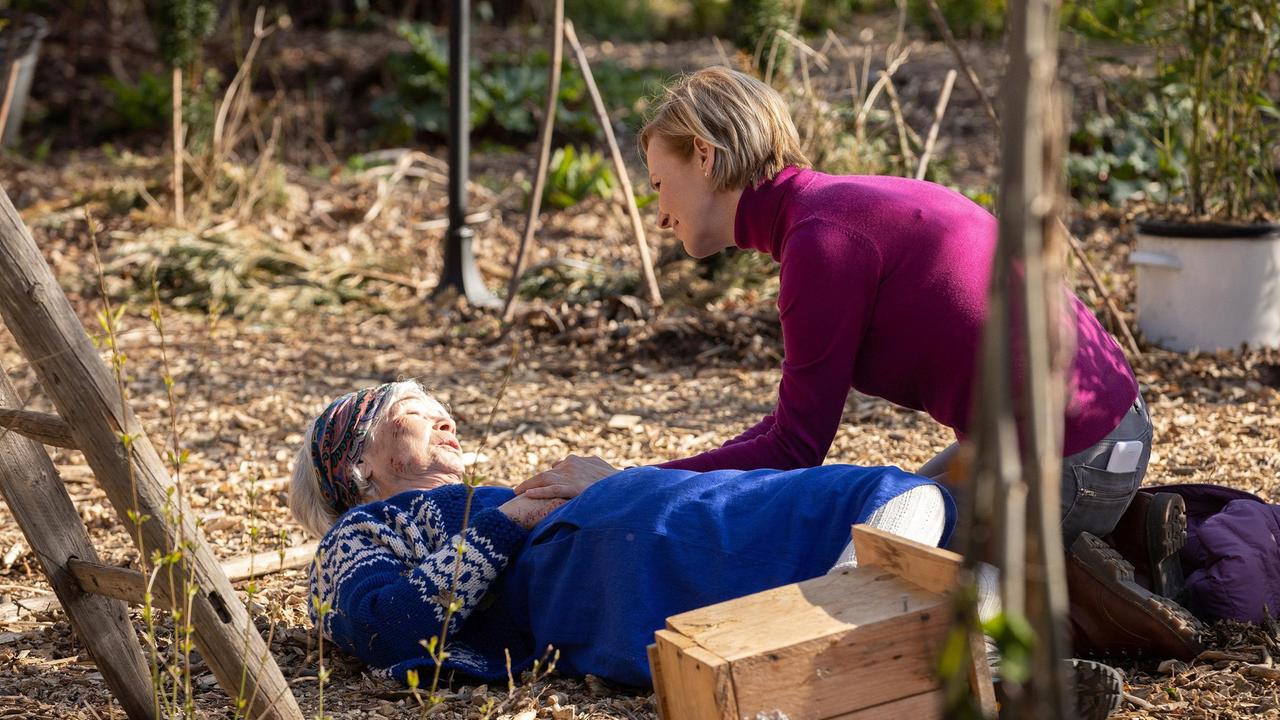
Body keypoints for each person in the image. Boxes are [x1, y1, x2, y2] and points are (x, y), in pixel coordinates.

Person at [624, 66, 1151, 548]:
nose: (660, 216)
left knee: (862, 558)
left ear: (704, 154)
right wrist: (645, 480)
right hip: (1101, 434)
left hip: (1072, 461)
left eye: (658, 185)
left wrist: (630, 489)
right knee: (891, 523)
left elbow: (793, 450)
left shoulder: (821, 242)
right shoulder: (837, 207)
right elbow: (786, 430)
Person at [288, 380, 954, 689]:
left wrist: (608, 482)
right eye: (413, 411)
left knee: (906, 502)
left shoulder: (475, 502)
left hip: (625, 539)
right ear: (357, 464)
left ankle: (908, 634)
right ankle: (860, 646)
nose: (446, 418)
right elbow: (389, 627)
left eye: (443, 408)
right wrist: (520, 513)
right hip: (611, 561)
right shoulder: (357, 532)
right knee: (890, 498)